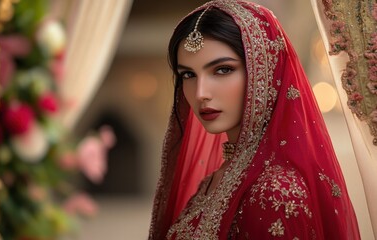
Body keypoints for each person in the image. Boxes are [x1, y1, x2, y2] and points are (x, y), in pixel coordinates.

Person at [148, 0, 361, 239]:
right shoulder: (217, 178)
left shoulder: (275, 193)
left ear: (264, 70)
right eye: (188, 74)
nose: (200, 93)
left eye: (222, 70)